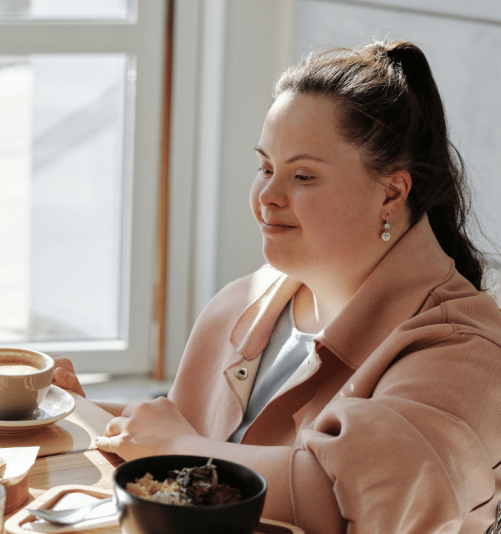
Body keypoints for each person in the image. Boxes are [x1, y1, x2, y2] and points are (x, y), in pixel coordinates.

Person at [53, 40, 501, 533]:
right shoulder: (241, 304)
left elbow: (349, 498)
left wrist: (175, 447)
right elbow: (192, 436)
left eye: (303, 175)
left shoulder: (463, 349)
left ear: (391, 193)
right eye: (265, 167)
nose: (267, 195)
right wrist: (79, 407)